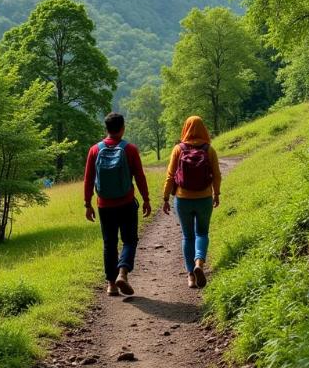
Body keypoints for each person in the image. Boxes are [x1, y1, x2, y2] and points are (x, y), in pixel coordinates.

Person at [84, 112, 152, 296]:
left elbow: (89, 179)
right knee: (130, 240)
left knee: (109, 243)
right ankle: (123, 272)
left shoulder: (94, 150)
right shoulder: (130, 149)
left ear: (106, 129)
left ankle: (111, 285)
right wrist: (146, 199)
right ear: (123, 128)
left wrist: (87, 204)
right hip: (127, 202)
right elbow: (139, 176)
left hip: (104, 205)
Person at [162, 115, 221, 289]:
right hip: (204, 198)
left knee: (188, 236)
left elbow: (170, 176)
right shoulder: (209, 149)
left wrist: (165, 198)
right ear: (203, 129)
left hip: (182, 199)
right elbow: (217, 175)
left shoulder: (178, 149)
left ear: (185, 128)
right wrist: (216, 193)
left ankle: (190, 276)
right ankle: (199, 264)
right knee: (202, 233)